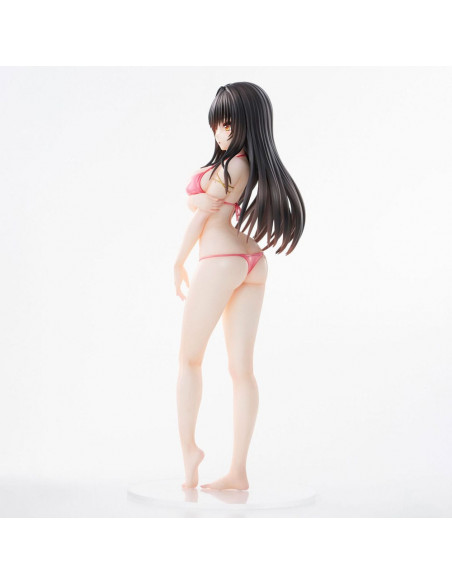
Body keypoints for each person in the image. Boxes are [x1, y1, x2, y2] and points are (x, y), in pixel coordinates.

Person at [174, 82, 306, 490]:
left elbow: (202, 217)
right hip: (250, 261)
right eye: (216, 125)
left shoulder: (233, 166)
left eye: (227, 124)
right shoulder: (243, 164)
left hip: (221, 259)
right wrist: (198, 201)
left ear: (248, 123)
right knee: (241, 369)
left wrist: (178, 260)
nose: (220, 133)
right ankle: (238, 472)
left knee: (189, 360)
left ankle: (190, 452)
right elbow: (203, 203)